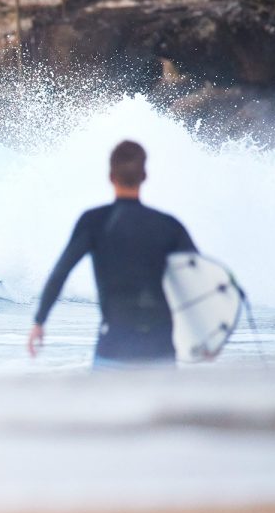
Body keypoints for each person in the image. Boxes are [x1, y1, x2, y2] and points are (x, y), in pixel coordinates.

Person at [27, 140, 196, 367]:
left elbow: (61, 272)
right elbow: (200, 279)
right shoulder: (169, 225)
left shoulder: (94, 221)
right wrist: (207, 337)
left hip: (114, 348)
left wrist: (40, 322)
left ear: (111, 176)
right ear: (144, 175)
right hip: (160, 348)